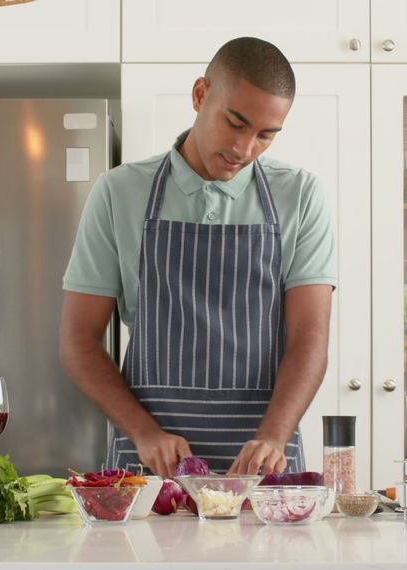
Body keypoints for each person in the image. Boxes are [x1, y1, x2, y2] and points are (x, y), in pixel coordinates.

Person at [59, 37, 335, 477]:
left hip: (261, 470)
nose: (245, 149)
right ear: (200, 95)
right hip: (151, 468)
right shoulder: (119, 192)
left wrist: (274, 436)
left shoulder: (300, 195)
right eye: (235, 123)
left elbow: (309, 338)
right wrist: (143, 433)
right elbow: (79, 341)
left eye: (265, 135)